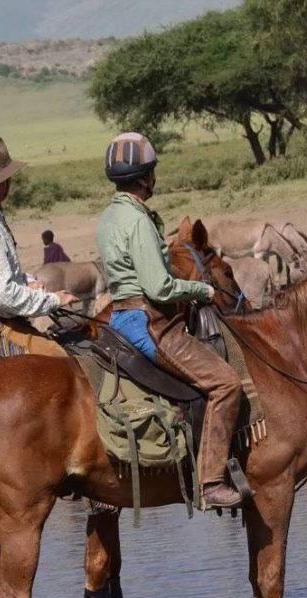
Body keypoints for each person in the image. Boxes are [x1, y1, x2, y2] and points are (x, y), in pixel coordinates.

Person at [96, 132, 244, 510]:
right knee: (226, 383)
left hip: (121, 316)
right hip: (149, 322)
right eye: (153, 172)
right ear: (146, 177)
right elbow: (160, 288)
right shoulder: (138, 220)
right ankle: (211, 482)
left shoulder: (110, 215)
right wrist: (203, 292)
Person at [0, 136, 77, 359]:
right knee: (62, 362)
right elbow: (2, 295)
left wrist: (26, 282)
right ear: (3, 183)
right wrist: (54, 301)